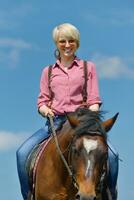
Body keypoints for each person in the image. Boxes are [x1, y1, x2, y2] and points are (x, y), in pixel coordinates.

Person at [16, 23, 118, 200]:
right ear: (57, 43)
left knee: (113, 156)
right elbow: (42, 101)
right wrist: (45, 109)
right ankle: (28, 195)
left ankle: (109, 194)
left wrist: (90, 117)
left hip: (82, 122)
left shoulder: (88, 67)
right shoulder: (47, 72)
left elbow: (94, 99)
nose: (67, 45)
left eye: (71, 41)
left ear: (77, 43)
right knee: (22, 153)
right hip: (55, 122)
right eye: (62, 41)